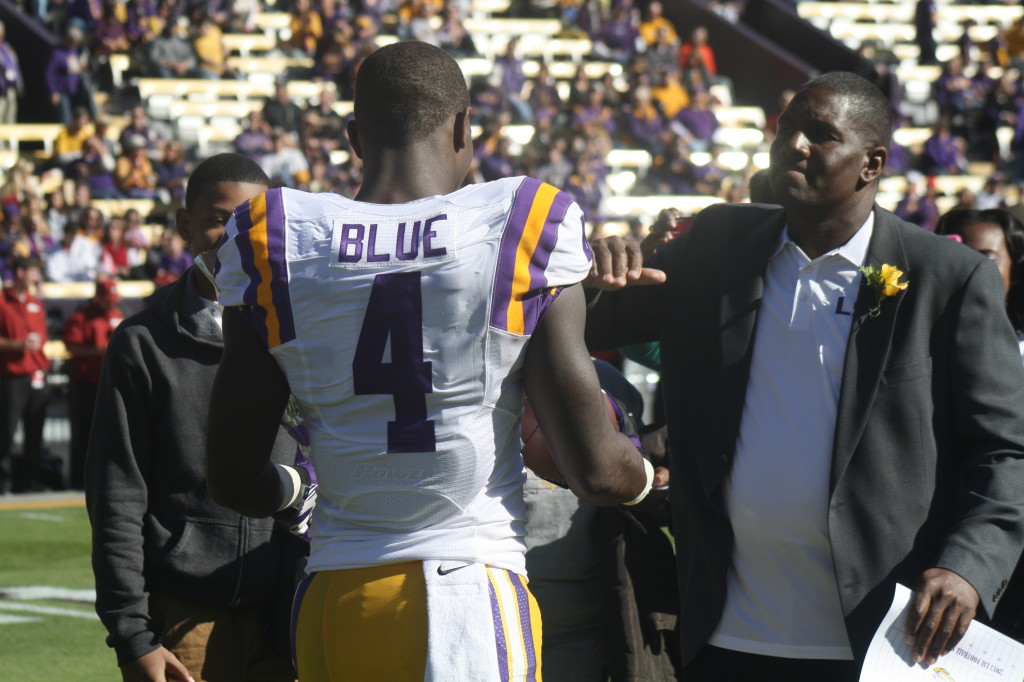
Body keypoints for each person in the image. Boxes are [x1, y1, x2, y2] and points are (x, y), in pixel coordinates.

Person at [205, 41, 652, 680]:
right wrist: (647, 476)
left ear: (354, 137)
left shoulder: (278, 237)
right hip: (462, 593)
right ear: (465, 128)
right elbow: (600, 473)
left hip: (334, 596)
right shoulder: (521, 221)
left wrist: (301, 486)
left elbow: (234, 478)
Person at [585, 71, 1024, 680]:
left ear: (871, 164)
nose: (794, 144)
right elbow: (593, 322)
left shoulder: (945, 277)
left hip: (881, 641)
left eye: (820, 135)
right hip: (726, 633)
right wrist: (593, 273)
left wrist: (969, 565)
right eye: (789, 127)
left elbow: (1006, 452)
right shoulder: (716, 244)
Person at [86, 154, 306, 682]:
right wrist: (133, 635)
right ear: (184, 225)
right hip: (186, 619)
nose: (233, 237)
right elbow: (118, 495)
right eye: (216, 219)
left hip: (290, 616)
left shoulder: (301, 335)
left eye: (249, 222)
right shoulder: (143, 343)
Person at [63, 276, 122, 490]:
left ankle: (106, 477)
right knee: (84, 433)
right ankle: (79, 479)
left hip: (110, 382)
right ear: (97, 297)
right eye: (108, 298)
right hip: (87, 383)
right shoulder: (81, 318)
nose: (112, 303)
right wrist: (100, 352)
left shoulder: (116, 315)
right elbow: (72, 346)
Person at [0, 257, 47, 495]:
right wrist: (17, 344)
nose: (36, 277)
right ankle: (3, 483)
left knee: (34, 432)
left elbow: (43, 338)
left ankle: (27, 481)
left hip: (36, 373)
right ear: (20, 272)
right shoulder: (1, 301)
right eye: (32, 271)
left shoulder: (35, 304)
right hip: (10, 376)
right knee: (6, 432)